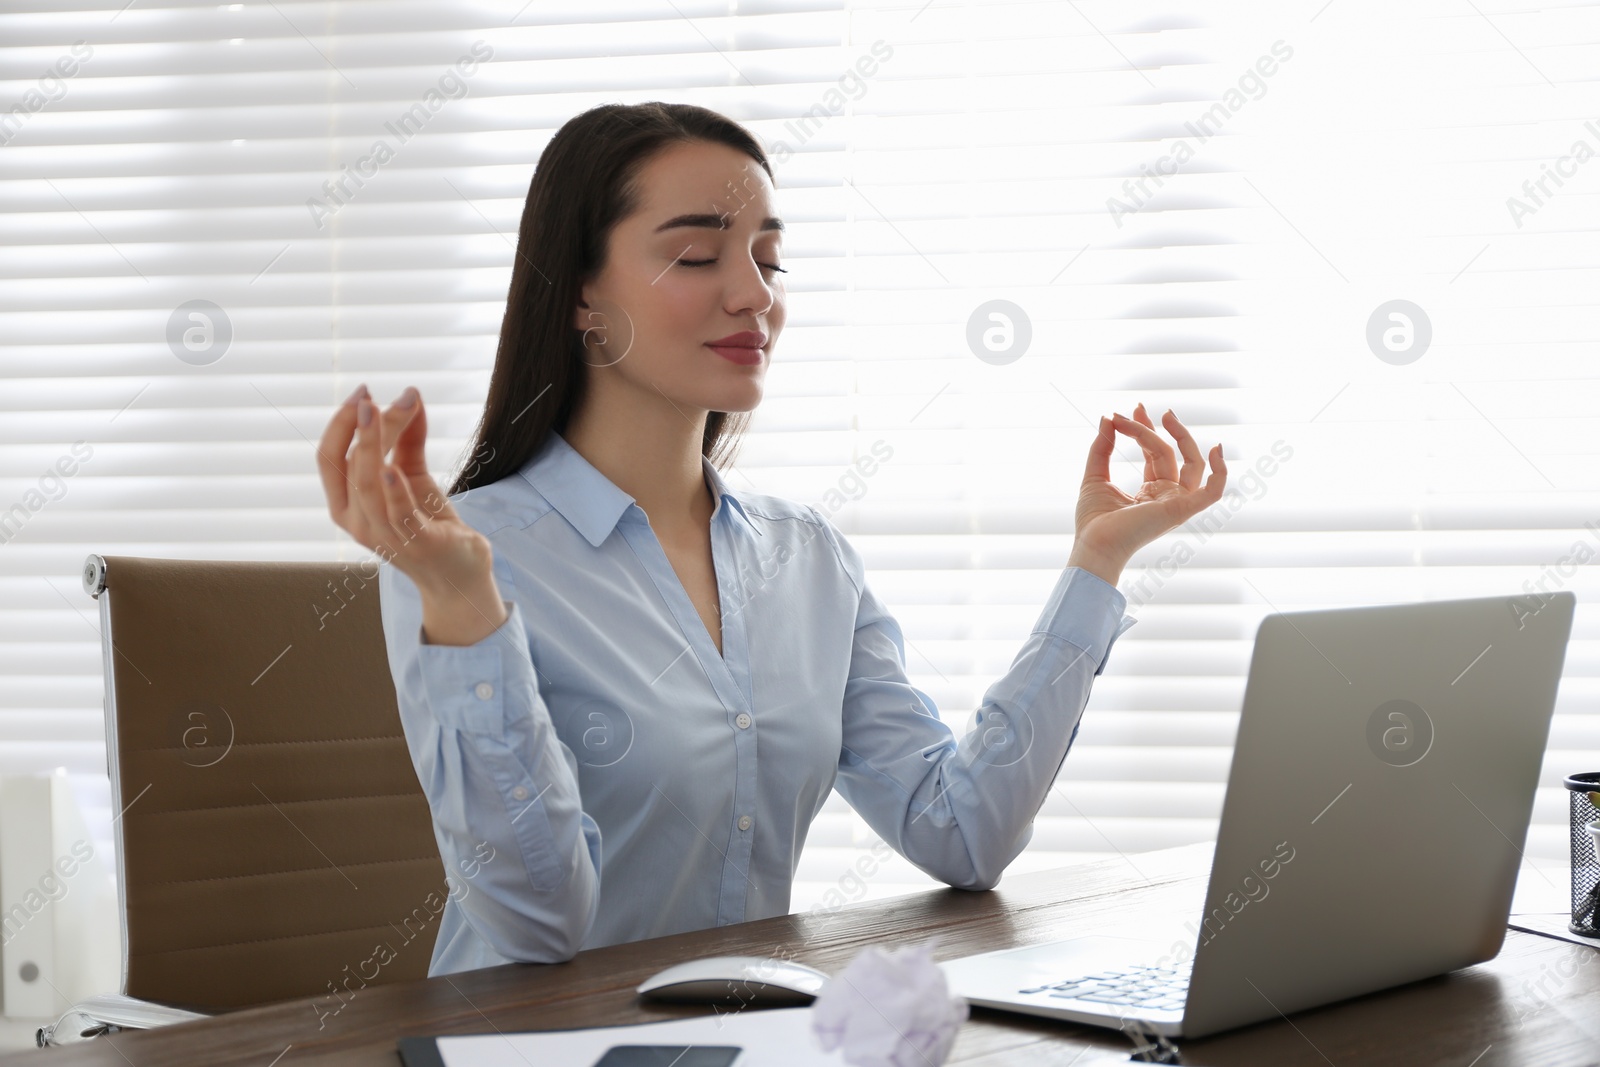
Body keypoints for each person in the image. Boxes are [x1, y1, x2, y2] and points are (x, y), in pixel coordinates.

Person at [315, 102, 1227, 977]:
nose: (754, 294)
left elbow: (963, 831)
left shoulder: (807, 557)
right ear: (583, 295)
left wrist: (1096, 562)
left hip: (749, 1039)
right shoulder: (464, 556)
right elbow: (536, 923)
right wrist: (467, 607)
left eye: (769, 260)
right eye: (700, 254)